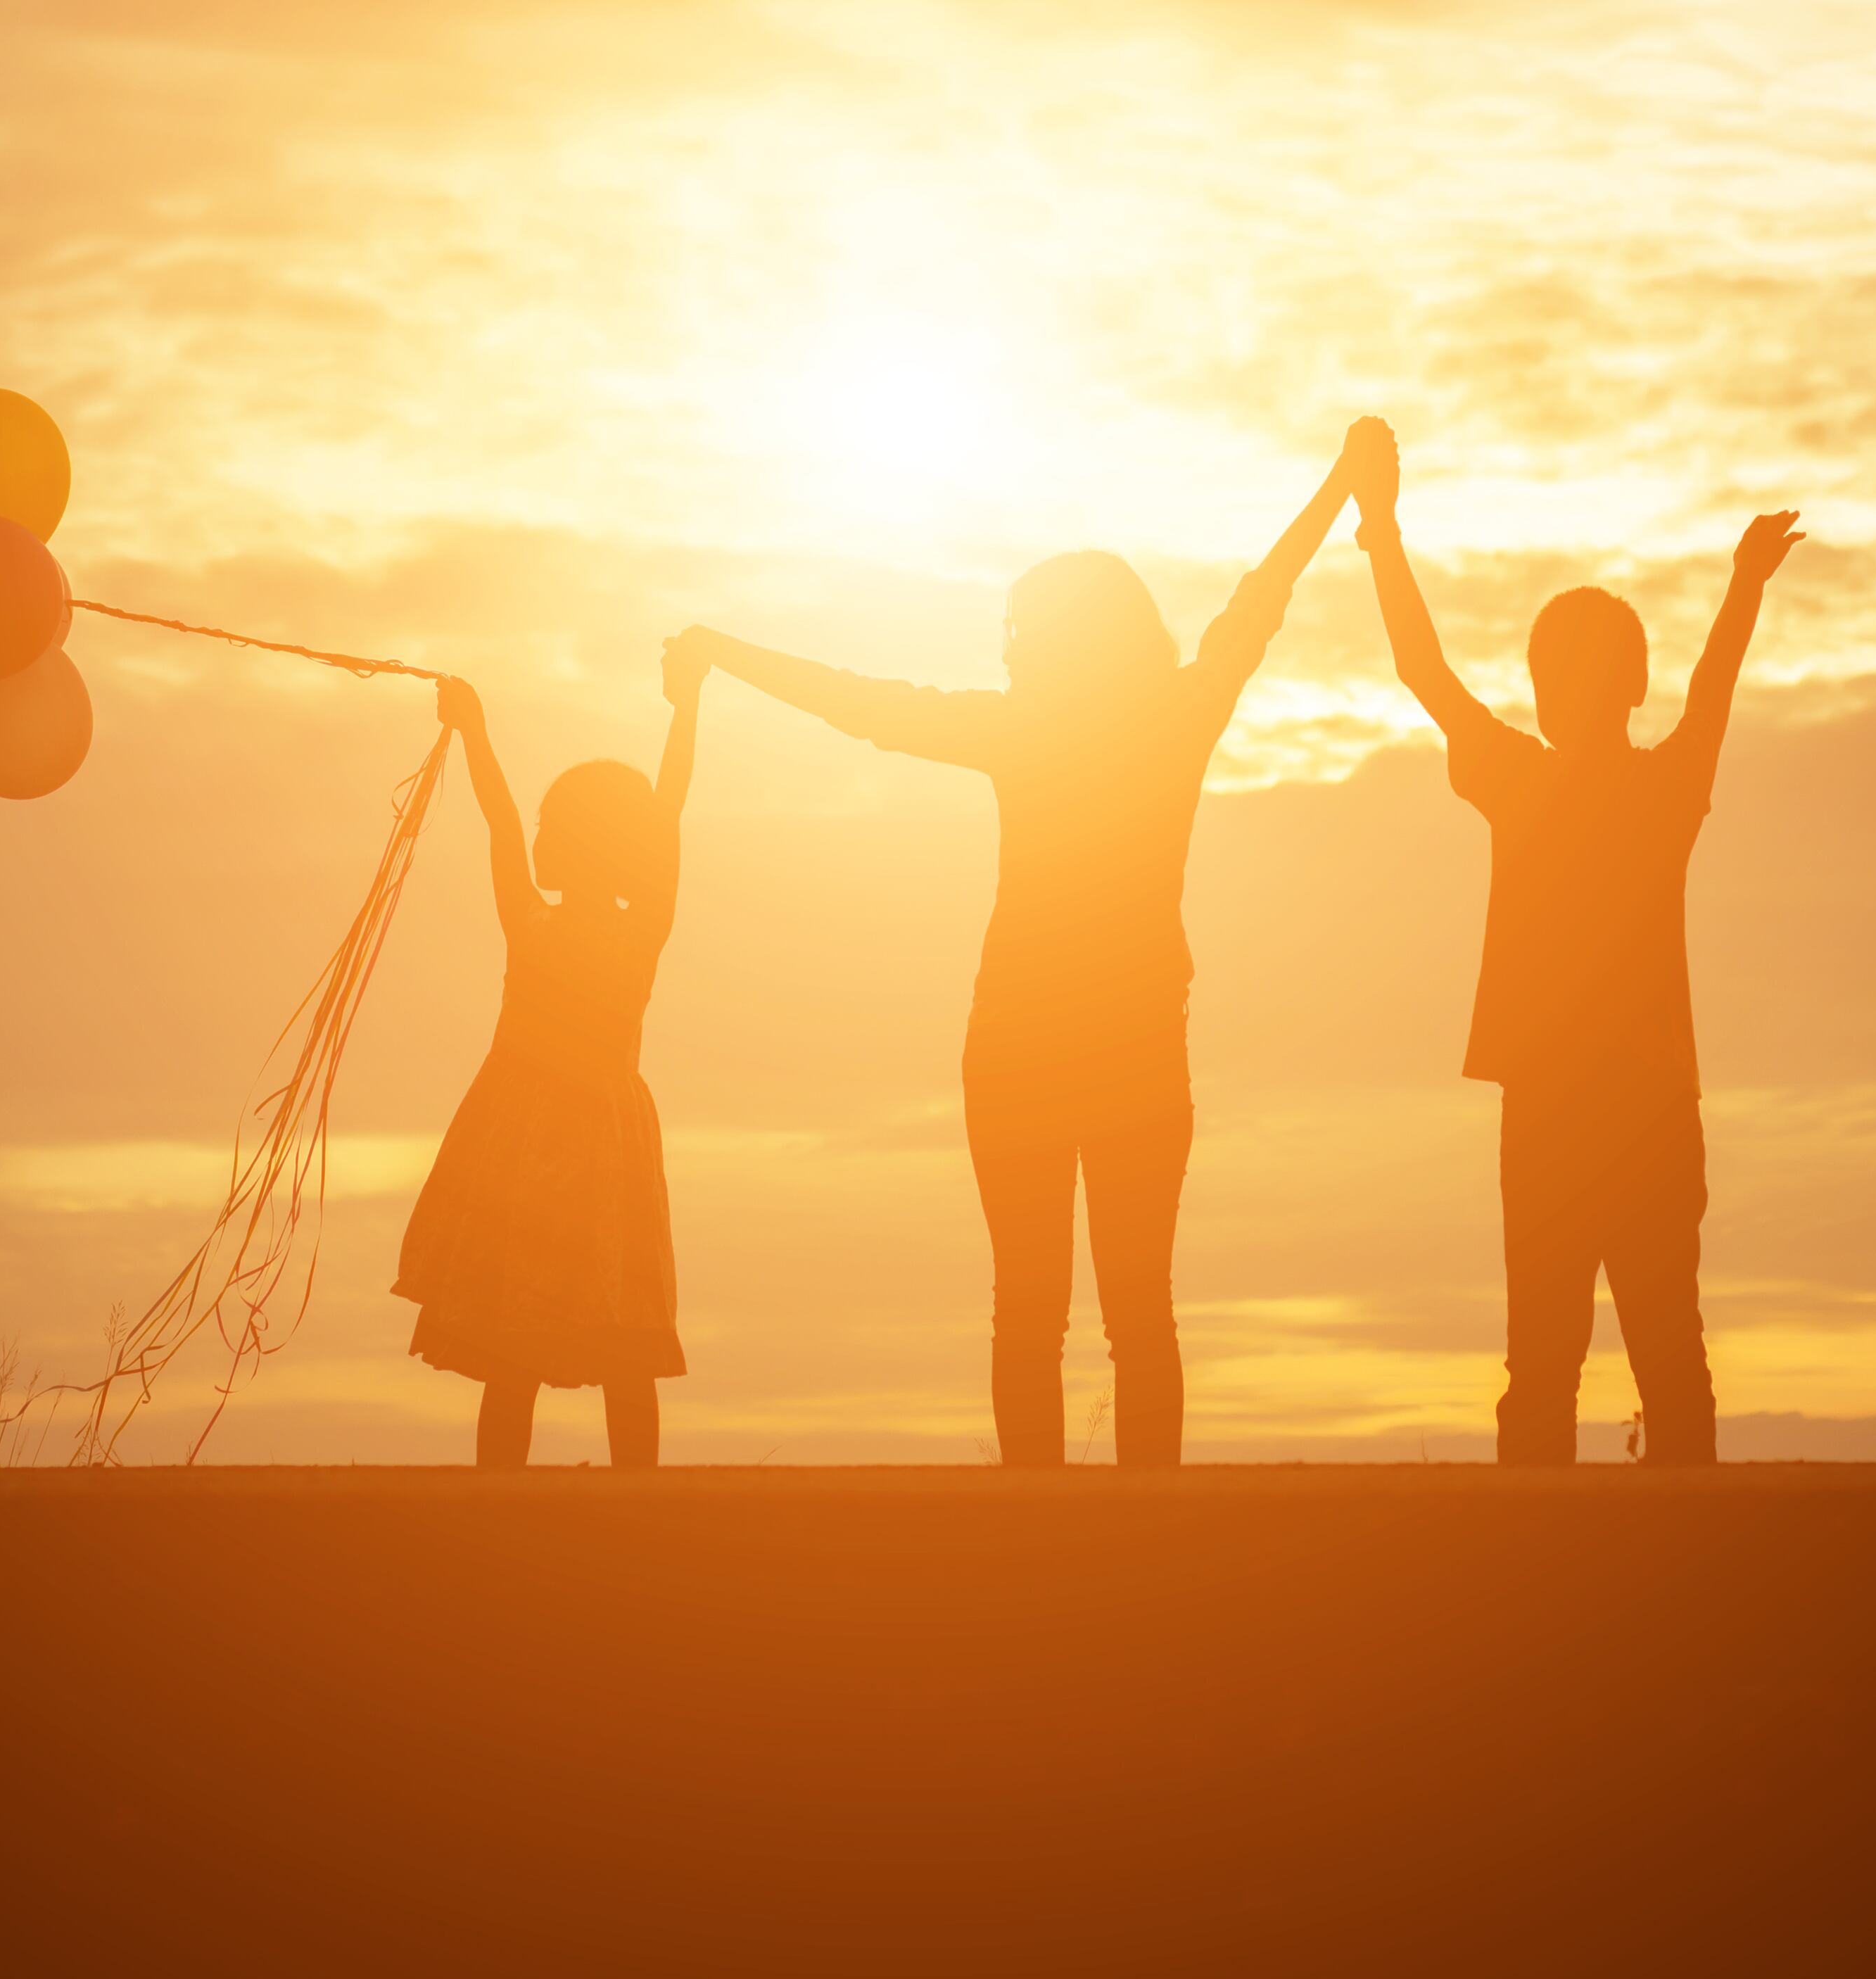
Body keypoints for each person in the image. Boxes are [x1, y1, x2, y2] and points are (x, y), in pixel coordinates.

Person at [665, 429, 1374, 1465]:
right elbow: (1258, 603)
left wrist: (729, 652)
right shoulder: (1172, 714)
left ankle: (1037, 1525)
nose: (1009, 648)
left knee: (1031, 1313)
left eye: (1021, 631)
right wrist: (1341, 484)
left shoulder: (1024, 728)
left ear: (1045, 641)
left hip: (1023, 1046)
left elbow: (865, 705)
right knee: (1140, 1314)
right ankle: (1142, 1531)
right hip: (1125, 1043)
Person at [1352, 416, 1802, 1465]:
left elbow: (1423, 669)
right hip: (1640, 1109)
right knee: (1664, 1357)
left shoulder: (1525, 780)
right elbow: (1714, 691)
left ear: (1548, 695)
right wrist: (1744, 586)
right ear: (1629, 687)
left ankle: (1533, 1572)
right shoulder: (1661, 787)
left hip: (1560, 1110)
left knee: (1547, 1366)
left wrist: (1382, 529)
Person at [392, 647, 706, 1467]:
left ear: (582, 843)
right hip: (594, 1141)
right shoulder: (639, 930)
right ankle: (634, 1507)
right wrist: (685, 705)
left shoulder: (534, 924)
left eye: (549, 826)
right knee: (618, 1341)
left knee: (518, 1352)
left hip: (534, 1140)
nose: (532, 834)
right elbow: (662, 816)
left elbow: (508, 817)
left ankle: (505, 1504)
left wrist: (475, 730)